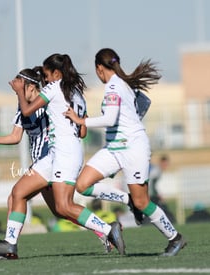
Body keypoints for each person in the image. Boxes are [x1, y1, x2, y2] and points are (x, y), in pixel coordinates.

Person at [0, 54, 126, 258]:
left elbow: (27, 110)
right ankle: (10, 244)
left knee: (63, 206)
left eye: (47, 75)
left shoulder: (54, 87)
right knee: (18, 193)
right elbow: (83, 131)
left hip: (64, 153)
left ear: (56, 73)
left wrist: (18, 92)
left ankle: (106, 229)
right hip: (58, 153)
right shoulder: (75, 92)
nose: (46, 80)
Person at [64, 48, 187, 256]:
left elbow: (110, 119)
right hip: (114, 148)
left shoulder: (114, 87)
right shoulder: (122, 85)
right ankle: (127, 200)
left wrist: (80, 120)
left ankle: (175, 238)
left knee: (143, 201)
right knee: (82, 185)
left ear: (99, 68)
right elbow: (143, 105)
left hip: (132, 149)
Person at [148, 154, 175, 223]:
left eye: (167, 164)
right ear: (161, 162)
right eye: (165, 164)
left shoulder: (157, 169)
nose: (166, 166)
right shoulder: (156, 170)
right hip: (150, 195)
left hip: (151, 194)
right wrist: (156, 194)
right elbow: (150, 182)